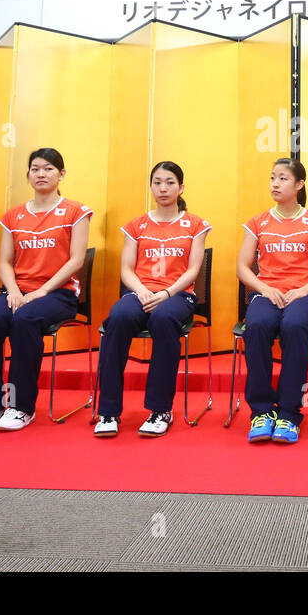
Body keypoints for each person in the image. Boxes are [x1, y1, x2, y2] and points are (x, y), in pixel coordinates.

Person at [0, 148, 92, 433]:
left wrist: (42, 291)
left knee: (24, 321)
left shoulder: (76, 211)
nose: (41, 174)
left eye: (48, 168)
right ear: (28, 175)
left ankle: (21, 407)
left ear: (61, 174)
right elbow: (5, 262)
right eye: (35, 168)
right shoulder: (13, 216)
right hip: (17, 291)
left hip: (57, 294)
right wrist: (12, 291)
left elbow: (77, 260)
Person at [94, 161, 209, 438]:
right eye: (157, 182)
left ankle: (160, 410)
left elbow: (193, 270)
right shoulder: (137, 225)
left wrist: (166, 293)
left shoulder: (195, 225)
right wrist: (142, 291)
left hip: (178, 295)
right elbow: (126, 269)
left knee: (163, 318)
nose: (163, 188)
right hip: (140, 292)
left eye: (170, 182)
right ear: (151, 187)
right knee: (119, 317)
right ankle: (108, 410)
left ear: (181, 187)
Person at [237, 158, 308, 445]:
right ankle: (262, 411)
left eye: (283, 179)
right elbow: (243, 267)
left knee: (294, 326)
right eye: (273, 178)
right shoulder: (258, 222)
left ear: (299, 184)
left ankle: (290, 412)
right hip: (267, 293)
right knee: (257, 325)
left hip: (303, 295)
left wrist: (304, 291)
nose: (275, 184)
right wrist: (264, 288)